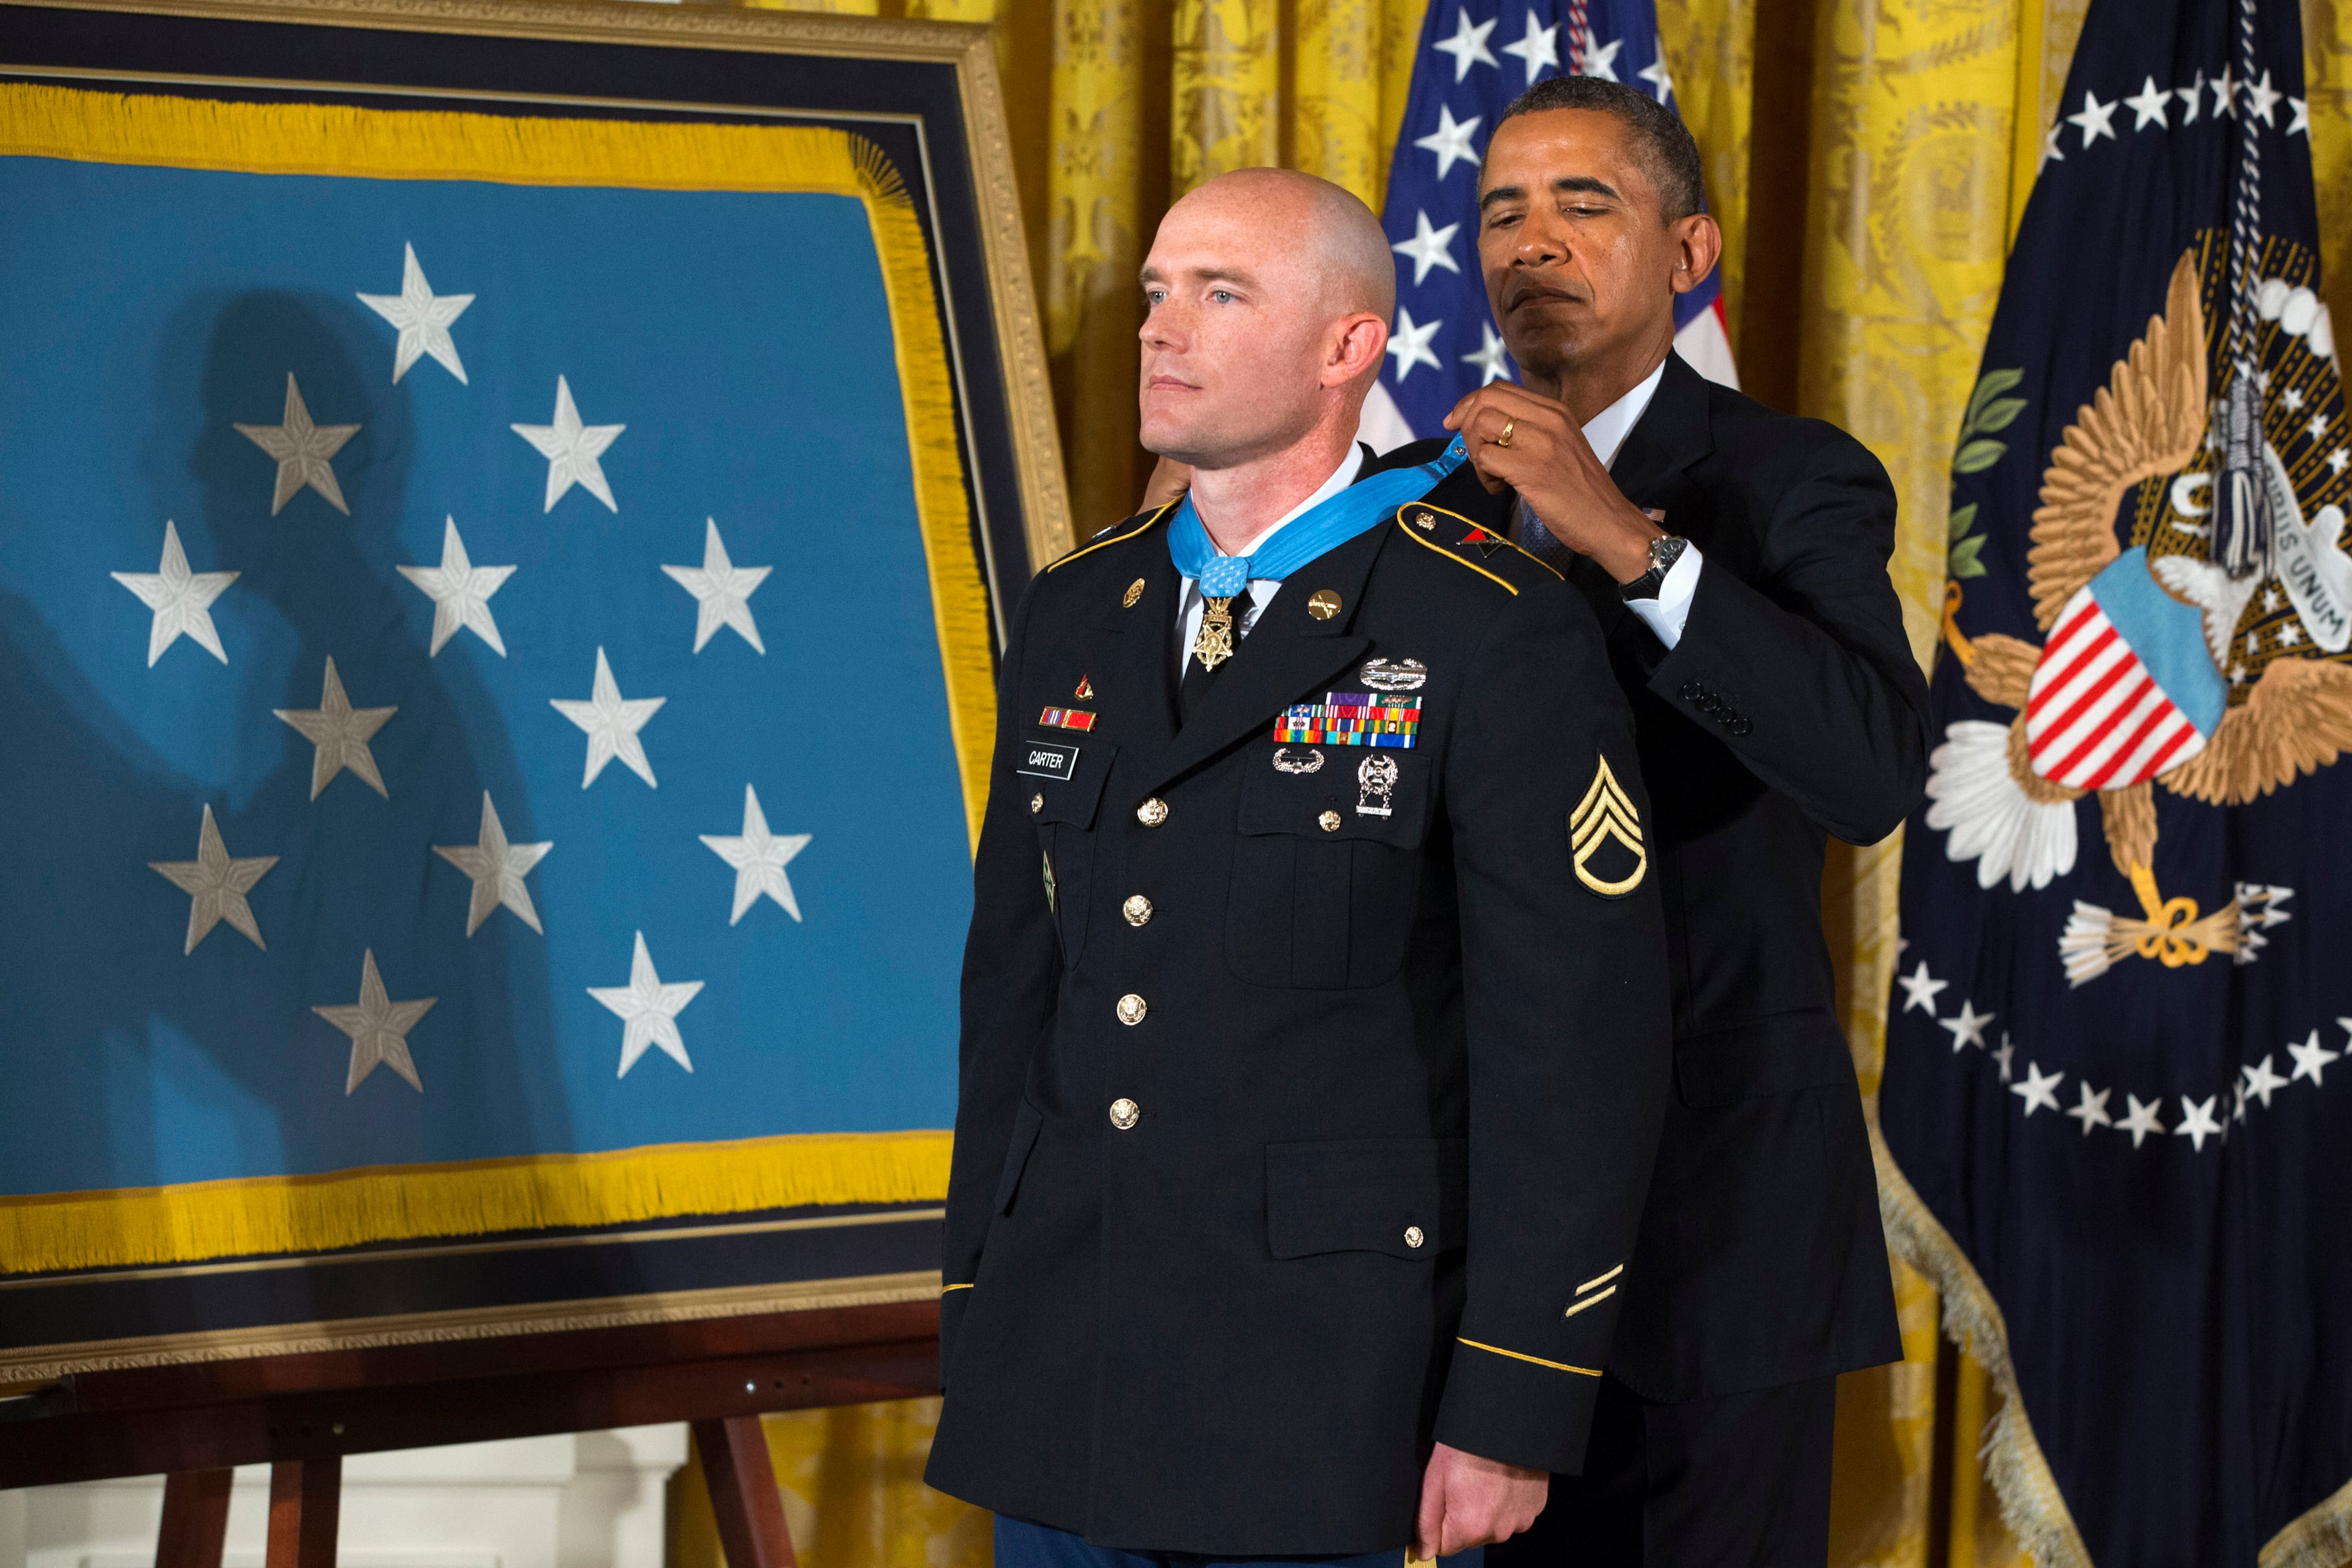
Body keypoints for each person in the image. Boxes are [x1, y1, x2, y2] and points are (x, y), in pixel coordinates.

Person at [923, 167, 1676, 1566]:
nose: (1161, 328)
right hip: (1065, 1366)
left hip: (1330, 1393)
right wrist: (980, 1289)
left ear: (1349, 346)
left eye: (1221, 293)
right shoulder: (1082, 605)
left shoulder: (1488, 625)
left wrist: (1515, 1399)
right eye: (1157, 290)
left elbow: (1574, 1049)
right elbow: (1011, 989)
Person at [1358, 77, 1929, 1566]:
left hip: (1710, 1234)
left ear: (1692, 253)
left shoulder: (1790, 477)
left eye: (1580, 203)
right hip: (1466, 1232)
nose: (1530, 239)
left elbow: (1870, 770)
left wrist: (1619, 535)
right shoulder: (1418, 512)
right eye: (1499, 211)